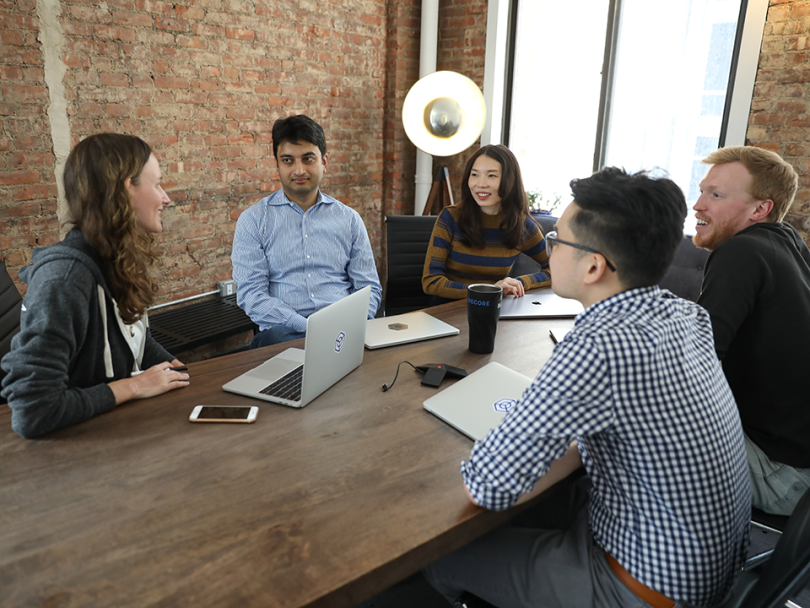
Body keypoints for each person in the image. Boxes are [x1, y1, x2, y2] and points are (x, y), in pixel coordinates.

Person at [424, 168, 750, 608]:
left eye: (557, 239)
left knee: (440, 557)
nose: (549, 248)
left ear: (594, 265)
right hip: (708, 566)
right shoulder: (686, 315)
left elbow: (488, 485)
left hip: (644, 588)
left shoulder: (598, 345)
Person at [1, 134, 190, 439]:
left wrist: (180, 372)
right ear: (126, 189)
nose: (166, 198)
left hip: (118, 431)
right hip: (74, 456)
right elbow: (33, 411)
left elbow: (136, 340)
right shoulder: (66, 279)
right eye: (156, 185)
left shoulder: (113, 259)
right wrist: (137, 385)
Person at [694, 145, 810, 516]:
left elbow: (692, 369)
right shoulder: (788, 243)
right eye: (702, 191)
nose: (698, 205)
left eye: (716, 195)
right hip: (799, 457)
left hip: (782, 474)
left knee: (623, 424)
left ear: (761, 209)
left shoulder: (740, 252)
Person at [231, 114, 382, 348]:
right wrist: (309, 328)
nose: (299, 170)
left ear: (324, 162)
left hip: (343, 334)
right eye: (288, 160)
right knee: (273, 339)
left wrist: (348, 326)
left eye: (308, 159)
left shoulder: (349, 219)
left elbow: (368, 289)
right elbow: (252, 296)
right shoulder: (253, 221)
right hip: (286, 334)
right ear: (277, 165)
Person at [421, 145, 551, 303]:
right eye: (474, 174)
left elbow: (558, 270)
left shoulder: (521, 225)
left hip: (494, 312)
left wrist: (521, 282)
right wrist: (490, 290)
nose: (481, 184)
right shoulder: (450, 217)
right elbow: (431, 282)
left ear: (510, 181)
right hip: (447, 312)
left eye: (492, 176)